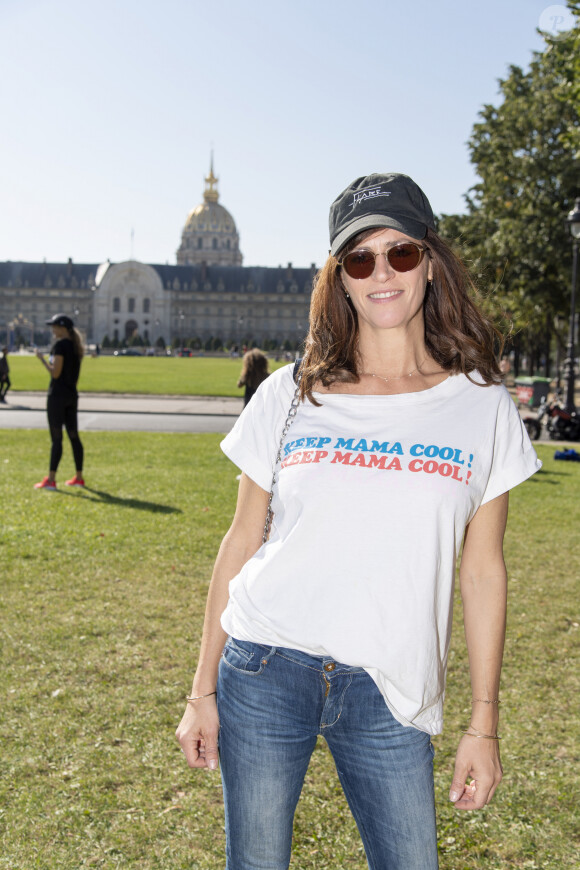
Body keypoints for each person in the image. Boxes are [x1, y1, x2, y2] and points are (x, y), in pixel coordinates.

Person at [176, 173, 542, 869]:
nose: (382, 272)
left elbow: (484, 569)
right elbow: (240, 541)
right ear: (339, 277)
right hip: (262, 668)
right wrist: (201, 690)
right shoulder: (291, 391)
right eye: (359, 258)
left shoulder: (481, 404)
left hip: (389, 688)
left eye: (400, 252)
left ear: (430, 264)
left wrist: (483, 723)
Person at [34, 313, 85, 491]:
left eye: (54, 326)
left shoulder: (60, 345)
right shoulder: (76, 347)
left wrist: (42, 360)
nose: (52, 330)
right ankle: (79, 477)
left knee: (57, 438)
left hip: (57, 396)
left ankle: (51, 479)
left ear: (62, 328)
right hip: (71, 395)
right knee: (74, 436)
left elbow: (55, 373)